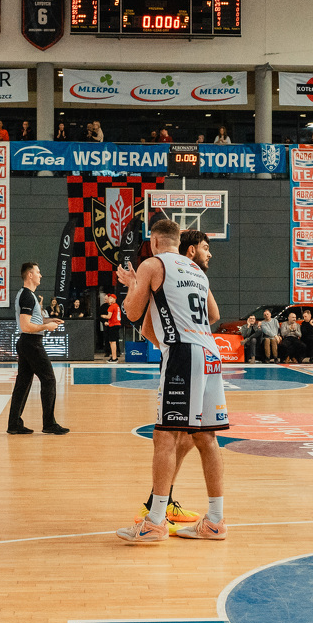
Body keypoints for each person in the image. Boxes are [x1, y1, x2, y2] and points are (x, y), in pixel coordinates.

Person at [114, 221, 228, 542]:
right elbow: (213, 314)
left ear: (154, 241)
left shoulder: (152, 264)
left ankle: (154, 522)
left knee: (164, 437)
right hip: (210, 353)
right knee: (206, 438)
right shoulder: (196, 271)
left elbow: (132, 312)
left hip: (184, 355)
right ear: (179, 242)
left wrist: (135, 286)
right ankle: (215, 521)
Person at [6, 262, 67, 435]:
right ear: (30, 275)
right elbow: (26, 326)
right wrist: (46, 327)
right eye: (38, 272)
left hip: (27, 343)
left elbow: (33, 321)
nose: (41, 275)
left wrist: (49, 321)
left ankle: (14, 424)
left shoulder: (27, 295)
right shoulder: (26, 296)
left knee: (23, 384)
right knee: (49, 380)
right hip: (31, 343)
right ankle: (49, 424)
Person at [99, 291, 122, 362]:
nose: (109, 299)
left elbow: (109, 316)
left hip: (113, 325)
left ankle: (114, 358)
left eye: (111, 298)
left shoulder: (112, 307)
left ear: (114, 299)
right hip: (116, 324)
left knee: (113, 342)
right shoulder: (117, 306)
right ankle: (113, 356)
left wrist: (103, 316)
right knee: (112, 341)